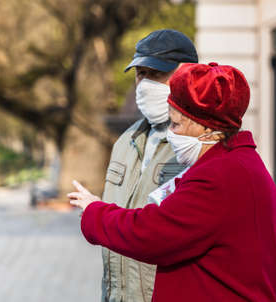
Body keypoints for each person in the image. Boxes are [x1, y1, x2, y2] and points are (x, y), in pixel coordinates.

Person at [69, 62, 276, 302]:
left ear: (206, 126)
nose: (171, 133)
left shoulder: (219, 176)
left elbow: (151, 234)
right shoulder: (239, 162)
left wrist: (94, 212)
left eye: (176, 124)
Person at [96, 29, 198, 302]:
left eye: (156, 74)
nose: (144, 84)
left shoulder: (199, 145)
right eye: (141, 74)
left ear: (187, 75)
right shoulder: (125, 142)